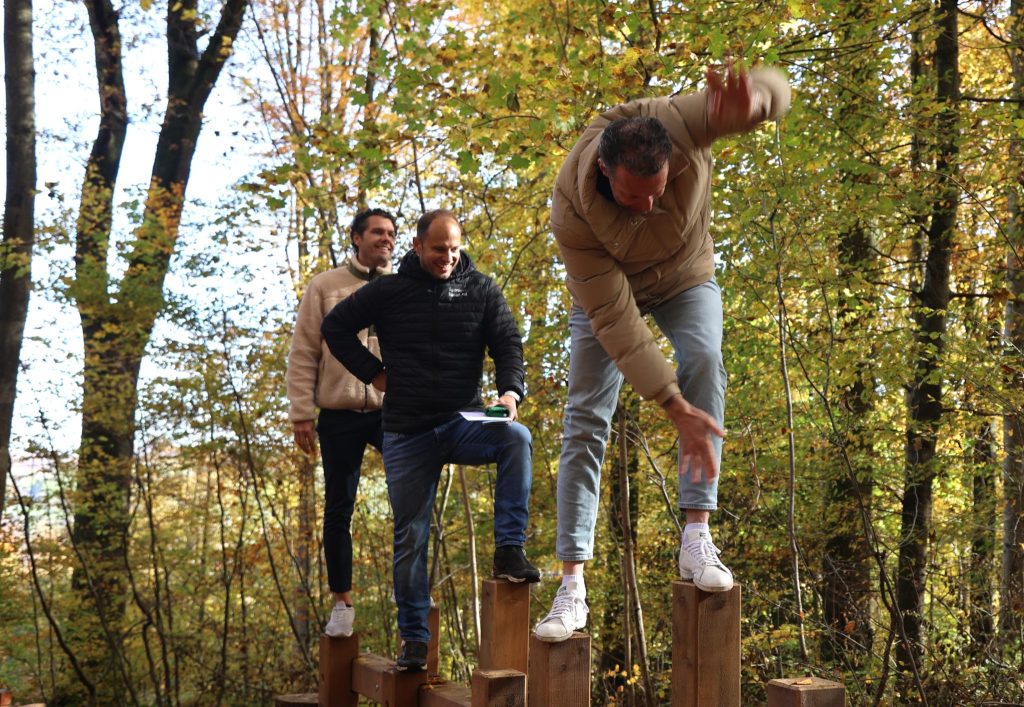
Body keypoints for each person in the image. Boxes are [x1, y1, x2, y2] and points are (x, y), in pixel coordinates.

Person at [535, 63, 791, 642]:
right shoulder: (571, 212)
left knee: (704, 359)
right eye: (632, 196)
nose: (647, 206)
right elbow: (616, 322)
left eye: (658, 192)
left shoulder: (681, 122)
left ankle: (696, 536)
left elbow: (778, 87)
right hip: (609, 289)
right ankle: (571, 582)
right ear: (604, 170)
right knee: (585, 417)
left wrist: (756, 102)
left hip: (684, 277)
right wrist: (671, 405)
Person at [321, 209, 540, 671]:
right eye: (438, 248)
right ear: (418, 246)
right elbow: (335, 327)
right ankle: (414, 640)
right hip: (406, 429)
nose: (447, 257)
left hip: (464, 417)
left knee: (515, 439)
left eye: (454, 248)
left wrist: (509, 390)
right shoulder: (389, 290)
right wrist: (374, 374)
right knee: (411, 537)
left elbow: (507, 343)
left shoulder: (480, 289)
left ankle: (508, 550)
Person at [286, 208, 397, 638]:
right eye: (376, 232)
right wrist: (301, 413)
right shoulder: (325, 286)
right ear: (356, 237)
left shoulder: (400, 287)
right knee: (338, 508)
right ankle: (342, 603)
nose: (385, 239)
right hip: (338, 412)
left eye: (391, 233)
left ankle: (410, 589)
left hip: (392, 411)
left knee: (411, 497)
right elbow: (303, 352)